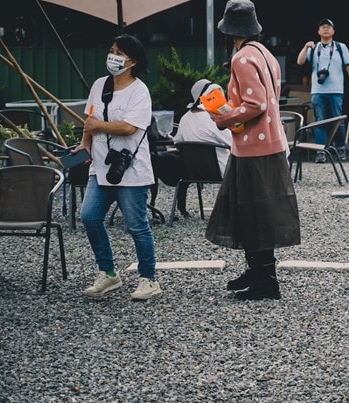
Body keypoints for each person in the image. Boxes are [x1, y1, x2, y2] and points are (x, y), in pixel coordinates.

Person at [205, 0, 300, 301]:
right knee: (257, 211)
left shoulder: (241, 58)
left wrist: (224, 117)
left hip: (252, 147)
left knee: (252, 212)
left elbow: (254, 104)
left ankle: (265, 280)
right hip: (271, 142)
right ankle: (258, 272)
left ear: (230, 31)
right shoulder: (265, 54)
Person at [78, 33, 161, 301]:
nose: (112, 57)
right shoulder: (99, 84)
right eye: (112, 50)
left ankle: (149, 279)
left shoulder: (140, 91)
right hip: (101, 166)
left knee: (137, 226)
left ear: (133, 61)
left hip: (131, 169)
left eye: (119, 53)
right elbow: (89, 118)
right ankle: (109, 273)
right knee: (89, 216)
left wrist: (97, 127)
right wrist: (85, 143)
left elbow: (129, 127)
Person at [154, 79, 234, 218]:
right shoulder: (213, 119)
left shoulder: (185, 118)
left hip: (191, 171)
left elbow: (177, 141)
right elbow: (233, 143)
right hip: (220, 170)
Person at [296, 18, 349, 162]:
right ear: (318, 31)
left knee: (338, 120)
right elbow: (300, 62)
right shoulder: (314, 48)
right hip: (318, 91)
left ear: (333, 31)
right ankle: (321, 151)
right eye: (322, 27)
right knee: (320, 121)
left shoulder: (340, 47)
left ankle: (340, 148)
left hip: (336, 90)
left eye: (328, 27)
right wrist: (306, 47)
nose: (325, 29)